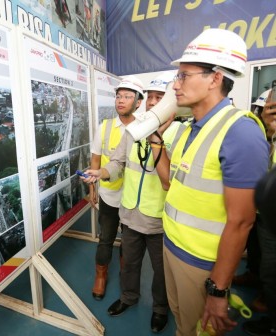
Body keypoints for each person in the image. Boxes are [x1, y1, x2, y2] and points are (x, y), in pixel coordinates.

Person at [145, 28, 269, 335]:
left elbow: (241, 223)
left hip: (201, 261)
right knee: (182, 321)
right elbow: (170, 185)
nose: (175, 85)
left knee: (197, 330)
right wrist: (155, 140)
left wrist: (218, 288)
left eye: (184, 75)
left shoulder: (241, 133)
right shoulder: (189, 129)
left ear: (215, 78)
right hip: (171, 246)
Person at [85, 71, 186, 333]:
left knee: (160, 270)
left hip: (158, 216)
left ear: (170, 102)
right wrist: (101, 173)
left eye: (159, 98)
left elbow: (174, 178)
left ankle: (160, 309)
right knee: (129, 263)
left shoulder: (181, 134)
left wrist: (158, 139)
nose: (153, 103)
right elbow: (118, 162)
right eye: (150, 97)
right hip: (129, 210)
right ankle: (129, 297)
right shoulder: (135, 129)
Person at [89, 75, 144, 301]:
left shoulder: (145, 129)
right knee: (106, 238)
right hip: (109, 195)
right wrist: (93, 189)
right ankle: (100, 276)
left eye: (127, 96)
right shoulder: (105, 127)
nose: (121, 100)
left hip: (133, 198)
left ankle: (125, 275)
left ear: (139, 102)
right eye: (119, 96)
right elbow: (95, 159)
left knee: (129, 242)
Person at [243, 90, 276, 336]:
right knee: (258, 254)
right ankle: (255, 279)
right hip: (262, 211)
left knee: (271, 267)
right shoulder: (264, 136)